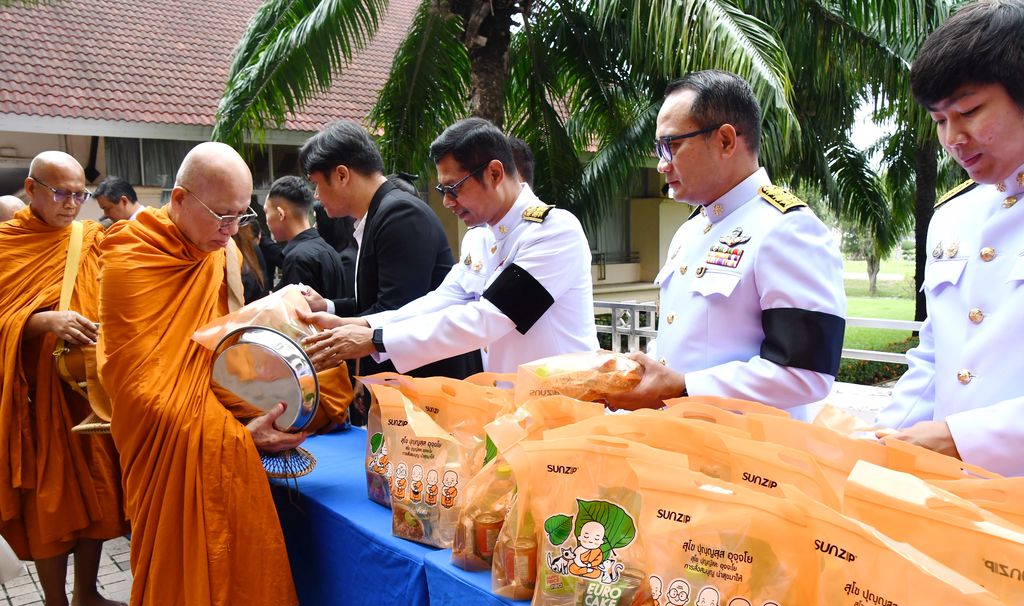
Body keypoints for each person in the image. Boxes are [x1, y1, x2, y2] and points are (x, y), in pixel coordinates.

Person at [98, 141, 352, 606]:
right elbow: (143, 389)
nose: (233, 229)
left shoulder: (220, 251)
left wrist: (284, 327)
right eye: (222, 215)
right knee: (178, 594)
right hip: (169, 456)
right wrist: (242, 439)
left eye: (243, 215)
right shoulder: (131, 258)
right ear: (180, 198)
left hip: (209, 429)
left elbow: (219, 353)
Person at [607, 71, 846, 419]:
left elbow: (805, 374)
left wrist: (685, 386)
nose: (662, 164)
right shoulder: (691, 231)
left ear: (725, 141)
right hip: (681, 441)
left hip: (749, 459)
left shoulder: (787, 228)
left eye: (671, 146)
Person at [302, 118, 598, 374]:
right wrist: (359, 325)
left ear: (494, 174)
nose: (447, 201)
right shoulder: (480, 237)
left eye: (454, 188)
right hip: (512, 407)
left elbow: (491, 316)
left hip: (567, 405)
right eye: (443, 190)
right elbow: (442, 300)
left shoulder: (553, 231)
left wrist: (377, 340)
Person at [874, 0, 1024, 477]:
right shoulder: (954, 216)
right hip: (953, 501)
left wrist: (965, 438)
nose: (953, 137)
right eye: (940, 120)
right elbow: (937, 359)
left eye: (969, 111)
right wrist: (880, 442)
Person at [0, 152, 127, 606]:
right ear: (32, 189)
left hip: (87, 392)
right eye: (61, 193)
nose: (72, 204)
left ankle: (88, 593)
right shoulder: (7, 245)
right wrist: (41, 322)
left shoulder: (91, 238)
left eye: (80, 194)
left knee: (97, 492)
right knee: (49, 501)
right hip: (34, 401)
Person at [299, 120, 481, 379]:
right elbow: (378, 301)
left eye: (316, 183)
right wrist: (327, 307)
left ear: (342, 175)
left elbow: (397, 308)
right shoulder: (378, 214)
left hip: (425, 380)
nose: (316, 195)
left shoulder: (399, 214)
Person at [263, 175, 346, 298]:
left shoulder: (297, 259)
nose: (266, 221)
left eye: (266, 212)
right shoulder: (328, 249)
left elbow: (297, 314)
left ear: (281, 214)